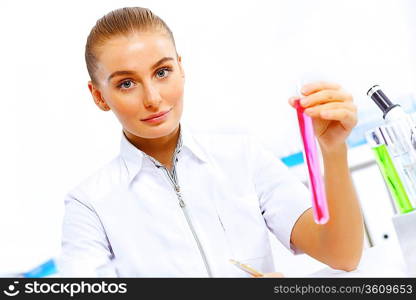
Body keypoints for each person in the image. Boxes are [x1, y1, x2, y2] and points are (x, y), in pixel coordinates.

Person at [59, 7, 364, 277]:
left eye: (162, 72)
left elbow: (343, 255)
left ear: (181, 68)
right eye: (126, 83)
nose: (152, 98)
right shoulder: (89, 205)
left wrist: (333, 150)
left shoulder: (243, 157)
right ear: (99, 96)